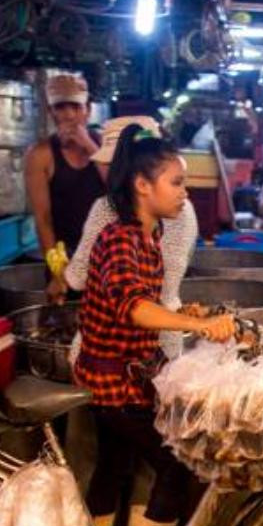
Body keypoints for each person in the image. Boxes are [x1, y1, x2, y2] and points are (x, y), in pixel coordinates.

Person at [73, 123, 235, 526]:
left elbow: (149, 299)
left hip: (124, 377)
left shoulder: (151, 233)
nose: (185, 193)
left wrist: (186, 313)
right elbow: (134, 308)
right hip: (114, 385)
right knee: (176, 462)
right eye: (177, 182)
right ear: (142, 186)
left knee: (113, 467)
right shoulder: (120, 239)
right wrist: (201, 328)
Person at [61, 117, 199, 365]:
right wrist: (199, 322)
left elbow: (77, 279)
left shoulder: (109, 210)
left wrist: (61, 272)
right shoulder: (180, 211)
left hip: (131, 355)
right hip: (151, 349)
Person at [24, 74, 105, 273]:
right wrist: (57, 271)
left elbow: (122, 190)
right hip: (65, 255)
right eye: (61, 107)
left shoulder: (106, 145)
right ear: (51, 112)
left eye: (76, 107)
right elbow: (43, 218)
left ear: (88, 110)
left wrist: (89, 146)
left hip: (108, 255)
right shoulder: (40, 155)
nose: (69, 115)